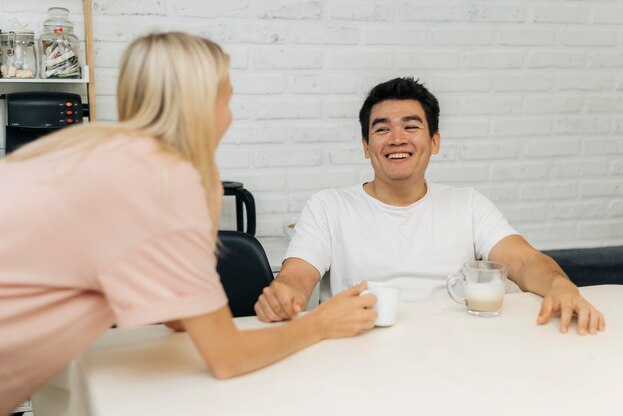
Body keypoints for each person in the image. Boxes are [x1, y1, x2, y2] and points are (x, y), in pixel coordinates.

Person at [0, 32, 377, 415]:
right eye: (228, 100)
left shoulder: (100, 151)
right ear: (202, 104)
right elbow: (227, 357)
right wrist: (319, 324)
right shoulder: (163, 182)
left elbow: (178, 317)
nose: (230, 115)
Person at [255, 77, 605, 336]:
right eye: (382, 129)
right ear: (365, 145)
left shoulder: (467, 203)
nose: (397, 139)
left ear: (434, 142)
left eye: (411, 126)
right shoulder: (329, 205)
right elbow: (297, 276)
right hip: (360, 346)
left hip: (455, 344)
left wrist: (560, 284)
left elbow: (525, 261)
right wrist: (284, 294)